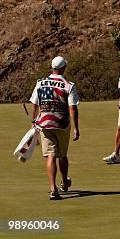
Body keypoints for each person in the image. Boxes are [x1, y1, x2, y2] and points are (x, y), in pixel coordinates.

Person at [30, 56, 80, 200]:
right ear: (63, 68)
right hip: (62, 124)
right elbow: (73, 108)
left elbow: (34, 103)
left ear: (52, 67)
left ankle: (53, 189)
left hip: (44, 123)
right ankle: (64, 183)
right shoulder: (68, 85)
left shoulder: (40, 83)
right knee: (62, 155)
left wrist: (33, 121)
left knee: (51, 155)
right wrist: (76, 128)